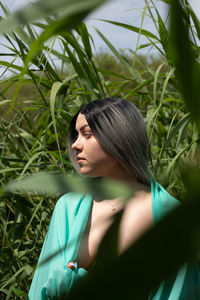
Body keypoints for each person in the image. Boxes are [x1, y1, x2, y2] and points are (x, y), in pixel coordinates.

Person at [28, 97, 200, 299]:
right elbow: (41, 289)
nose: (75, 145)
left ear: (118, 137)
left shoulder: (168, 215)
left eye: (87, 134)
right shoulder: (68, 207)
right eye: (76, 135)